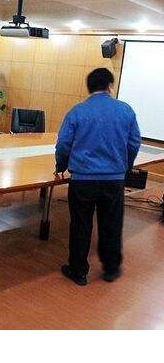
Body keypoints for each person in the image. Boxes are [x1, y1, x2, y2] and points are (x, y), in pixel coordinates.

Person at [55, 68, 141, 286]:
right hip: (114, 180)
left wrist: (61, 165)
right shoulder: (126, 110)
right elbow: (134, 143)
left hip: (82, 180)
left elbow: (63, 144)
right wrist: (126, 166)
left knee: (81, 225)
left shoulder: (77, 112)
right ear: (110, 86)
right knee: (111, 224)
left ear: (89, 87)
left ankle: (78, 271)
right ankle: (111, 269)